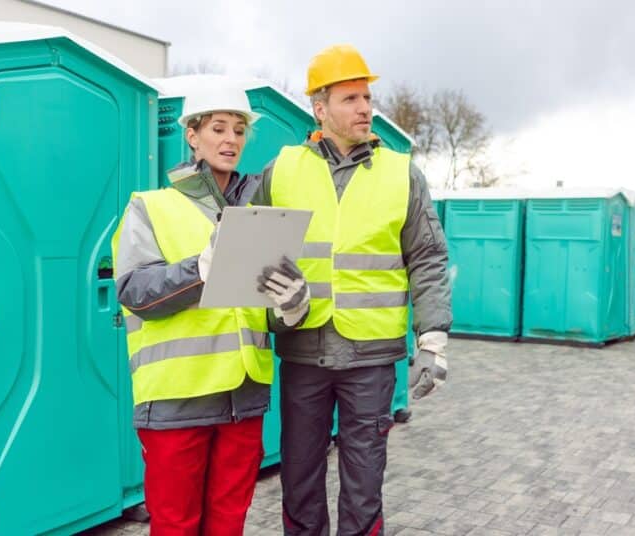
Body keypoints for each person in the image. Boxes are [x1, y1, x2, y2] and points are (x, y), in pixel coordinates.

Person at [251, 44, 453, 536]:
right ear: (320, 109)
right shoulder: (283, 170)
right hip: (304, 350)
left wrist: (433, 340)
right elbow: (255, 257)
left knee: (364, 478)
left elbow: (427, 256)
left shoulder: (401, 173)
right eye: (350, 98)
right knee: (299, 474)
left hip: (371, 357)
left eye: (367, 97)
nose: (365, 108)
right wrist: (277, 310)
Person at [113, 86, 304, 535]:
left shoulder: (260, 212)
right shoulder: (151, 206)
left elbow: (254, 308)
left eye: (239, 131)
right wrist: (198, 270)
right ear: (192, 136)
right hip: (177, 400)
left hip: (244, 397)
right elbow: (133, 290)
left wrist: (290, 306)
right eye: (218, 128)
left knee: (228, 525)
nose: (230, 139)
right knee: (177, 526)